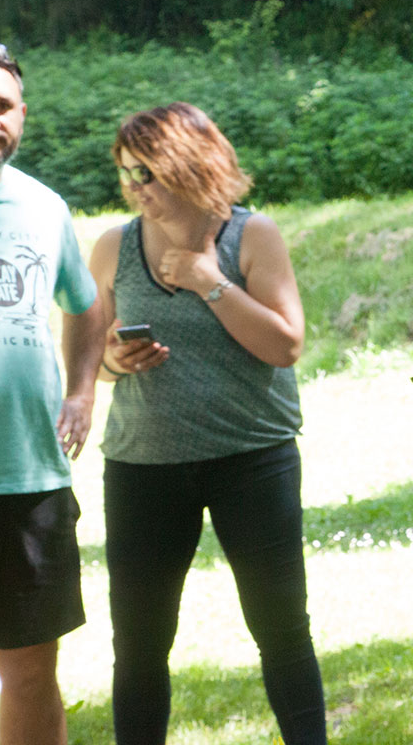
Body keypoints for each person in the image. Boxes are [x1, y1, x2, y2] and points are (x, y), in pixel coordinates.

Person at [86, 103, 326, 744]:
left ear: (190, 165)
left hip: (253, 459)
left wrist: (209, 283)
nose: (134, 186)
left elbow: (286, 345)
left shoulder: (252, 235)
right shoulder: (114, 246)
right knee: (139, 642)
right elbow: (89, 360)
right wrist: (113, 360)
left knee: (281, 629)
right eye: (126, 173)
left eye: (147, 172)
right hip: (142, 466)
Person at [0, 41, 103, 745]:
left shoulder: (44, 207)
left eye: (1, 105)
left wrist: (83, 392)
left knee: (31, 673)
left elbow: (85, 306)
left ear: (22, 115)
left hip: (28, 480)